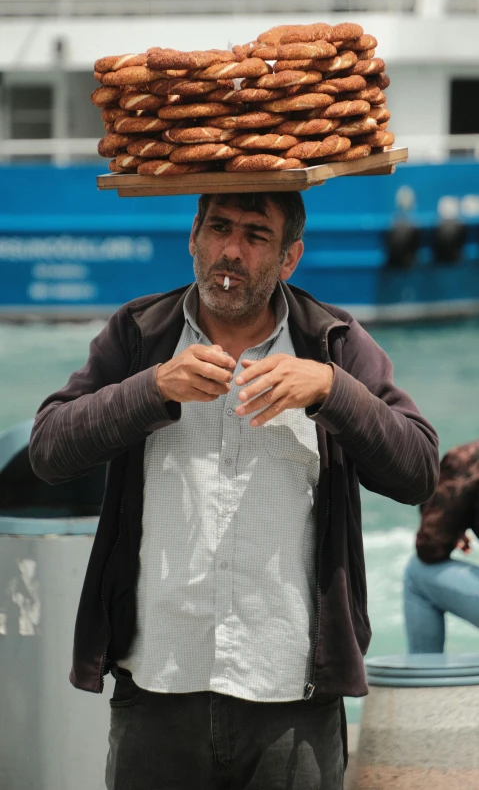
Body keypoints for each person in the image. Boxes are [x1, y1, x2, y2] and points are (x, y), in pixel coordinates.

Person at [29, 191, 439, 790]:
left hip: (291, 697)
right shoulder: (140, 334)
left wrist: (332, 390)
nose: (231, 250)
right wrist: (153, 389)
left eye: (256, 235)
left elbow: (418, 469)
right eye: (219, 227)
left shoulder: (333, 342)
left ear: (289, 257)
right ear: (194, 235)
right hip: (156, 689)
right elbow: (48, 450)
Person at [404, 439, 479, 653]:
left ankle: (423, 678)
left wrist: (455, 522)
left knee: (417, 573)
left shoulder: (469, 460)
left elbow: (429, 548)